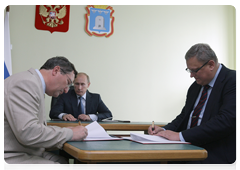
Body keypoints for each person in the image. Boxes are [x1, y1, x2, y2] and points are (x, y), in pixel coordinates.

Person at [148, 43, 237, 170]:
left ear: (211, 65)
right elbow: (185, 116)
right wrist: (164, 130)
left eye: (195, 70)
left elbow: (226, 121)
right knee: (154, 163)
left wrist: (180, 136)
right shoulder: (196, 86)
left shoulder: (233, 80)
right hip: (189, 148)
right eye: (189, 70)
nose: (191, 75)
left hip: (215, 153)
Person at [4, 56, 88, 170]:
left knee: (62, 161)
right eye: (68, 82)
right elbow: (29, 133)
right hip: (9, 155)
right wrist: (70, 133)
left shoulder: (33, 83)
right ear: (56, 70)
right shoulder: (26, 83)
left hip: (20, 150)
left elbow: (34, 127)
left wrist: (66, 131)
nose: (67, 90)